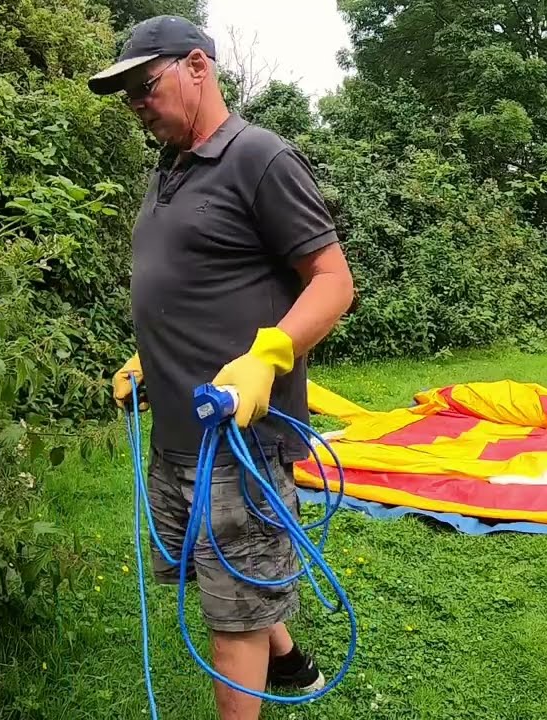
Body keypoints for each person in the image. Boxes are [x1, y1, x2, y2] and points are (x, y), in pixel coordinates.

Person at [87, 15, 355, 720]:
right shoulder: (169, 167)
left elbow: (332, 281)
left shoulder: (259, 157)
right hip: (176, 436)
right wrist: (150, 355)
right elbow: (198, 284)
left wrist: (269, 355)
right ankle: (292, 663)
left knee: (231, 613)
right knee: (219, 575)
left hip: (240, 443)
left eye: (145, 87)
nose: (137, 107)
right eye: (128, 98)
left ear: (198, 66)